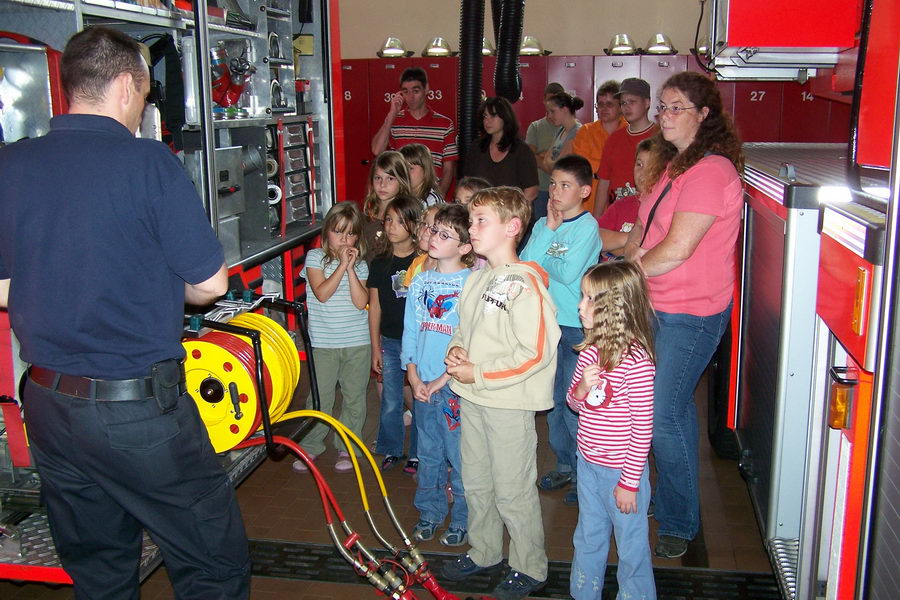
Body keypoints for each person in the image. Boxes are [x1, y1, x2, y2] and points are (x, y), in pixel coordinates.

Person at [0, 26, 250, 598]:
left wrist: (70, 287)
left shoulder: (11, 165)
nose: (141, 109)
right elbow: (210, 284)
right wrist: (150, 286)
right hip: (135, 413)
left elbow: (5, 285)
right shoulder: (146, 162)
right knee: (212, 562)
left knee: (101, 573)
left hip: (47, 408)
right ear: (121, 86)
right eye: (142, 94)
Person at [622, 70, 744, 559]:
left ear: (703, 115)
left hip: (690, 315)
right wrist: (625, 261)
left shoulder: (713, 171)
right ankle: (675, 496)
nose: (664, 115)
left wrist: (623, 282)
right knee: (667, 412)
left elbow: (676, 248)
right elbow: (643, 229)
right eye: (663, 107)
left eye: (675, 107)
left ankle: (678, 519)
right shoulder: (676, 168)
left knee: (660, 412)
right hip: (655, 306)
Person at [442, 187, 561, 600]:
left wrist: (480, 371)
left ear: (512, 227)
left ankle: (530, 566)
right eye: (471, 221)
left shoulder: (524, 285)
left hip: (507, 403)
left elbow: (537, 352)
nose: (471, 229)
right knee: (475, 480)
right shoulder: (477, 279)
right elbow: (465, 328)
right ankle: (486, 550)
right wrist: (458, 349)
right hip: (474, 397)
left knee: (513, 488)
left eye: (480, 221)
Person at [568, 261, 656, 600]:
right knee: (589, 533)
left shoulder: (635, 363)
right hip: (588, 462)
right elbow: (575, 404)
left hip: (621, 470)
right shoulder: (590, 352)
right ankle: (583, 592)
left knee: (631, 543)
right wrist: (580, 390)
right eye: (583, 297)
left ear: (614, 309)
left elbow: (642, 428)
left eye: (590, 299)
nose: (580, 306)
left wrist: (630, 483)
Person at [521, 154, 601, 507]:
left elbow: (567, 274)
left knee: (575, 403)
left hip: (575, 327)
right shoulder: (544, 224)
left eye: (565, 185)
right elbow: (526, 266)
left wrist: (545, 257)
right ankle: (566, 464)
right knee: (551, 402)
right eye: (552, 183)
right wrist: (549, 233)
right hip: (545, 323)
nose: (554, 191)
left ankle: (585, 473)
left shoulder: (587, 228)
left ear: (584, 191)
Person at [402, 204, 474, 547]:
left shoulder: (471, 284)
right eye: (435, 231)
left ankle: (462, 518)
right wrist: (414, 377)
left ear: (464, 247)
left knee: (459, 457)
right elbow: (412, 331)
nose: (434, 238)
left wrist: (440, 382)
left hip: (452, 387)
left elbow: (470, 341)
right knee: (428, 455)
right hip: (424, 384)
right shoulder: (420, 281)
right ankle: (429, 513)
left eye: (446, 235)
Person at [292, 202, 370, 475]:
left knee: (354, 398)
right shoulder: (315, 258)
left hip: (357, 342)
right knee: (319, 397)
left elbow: (362, 303)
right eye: (339, 233)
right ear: (327, 234)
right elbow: (322, 293)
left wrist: (350, 268)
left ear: (358, 238)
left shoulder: (359, 266)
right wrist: (340, 266)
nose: (344, 240)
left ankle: (348, 446)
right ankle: (311, 445)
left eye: (351, 234)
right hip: (324, 343)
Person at [368, 196, 423, 472]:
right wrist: (375, 347)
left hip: (419, 342)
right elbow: (374, 306)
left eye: (400, 221)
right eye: (388, 219)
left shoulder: (424, 262)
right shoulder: (379, 263)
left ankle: (417, 452)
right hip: (390, 340)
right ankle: (391, 448)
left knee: (418, 398)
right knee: (391, 398)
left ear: (414, 225)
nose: (391, 226)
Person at [371, 67, 457, 197]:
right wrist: (392, 115)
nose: (411, 97)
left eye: (415, 91)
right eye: (405, 92)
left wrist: (438, 197)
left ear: (426, 89)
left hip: (431, 194)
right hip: (401, 194)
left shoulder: (444, 124)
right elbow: (377, 150)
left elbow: (449, 169)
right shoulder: (396, 121)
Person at [599, 136, 677, 258]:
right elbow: (593, 237)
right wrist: (631, 240)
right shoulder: (622, 205)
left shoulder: (670, 207)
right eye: (639, 164)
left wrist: (613, 245)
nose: (642, 172)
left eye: (652, 166)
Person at [593, 78, 659, 218]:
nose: (626, 107)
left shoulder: (661, 137)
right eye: (623, 103)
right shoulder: (614, 139)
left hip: (648, 216)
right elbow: (604, 181)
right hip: (617, 215)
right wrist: (597, 221)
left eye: (632, 102)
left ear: (647, 103)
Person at [463, 97, 539, 206]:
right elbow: (468, 184)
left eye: (493, 115)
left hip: (511, 215)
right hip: (482, 212)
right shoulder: (477, 147)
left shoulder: (522, 150)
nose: (487, 121)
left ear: (505, 117)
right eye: (485, 116)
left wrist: (510, 213)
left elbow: (531, 191)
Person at [572, 80, 626, 213]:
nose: (604, 108)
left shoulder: (629, 131)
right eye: (600, 104)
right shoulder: (586, 131)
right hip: (590, 199)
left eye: (609, 104)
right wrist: (611, 169)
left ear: (621, 107)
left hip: (621, 198)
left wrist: (600, 169)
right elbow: (582, 166)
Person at [362, 151, 413, 259]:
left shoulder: (409, 217)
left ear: (402, 180)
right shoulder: (366, 217)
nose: (382, 185)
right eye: (378, 178)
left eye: (390, 178)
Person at [526, 82, 566, 219]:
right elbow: (530, 157)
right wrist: (551, 166)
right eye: (550, 100)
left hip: (564, 191)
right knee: (539, 228)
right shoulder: (535, 127)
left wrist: (543, 155)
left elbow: (567, 161)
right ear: (544, 101)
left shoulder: (571, 129)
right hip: (541, 189)